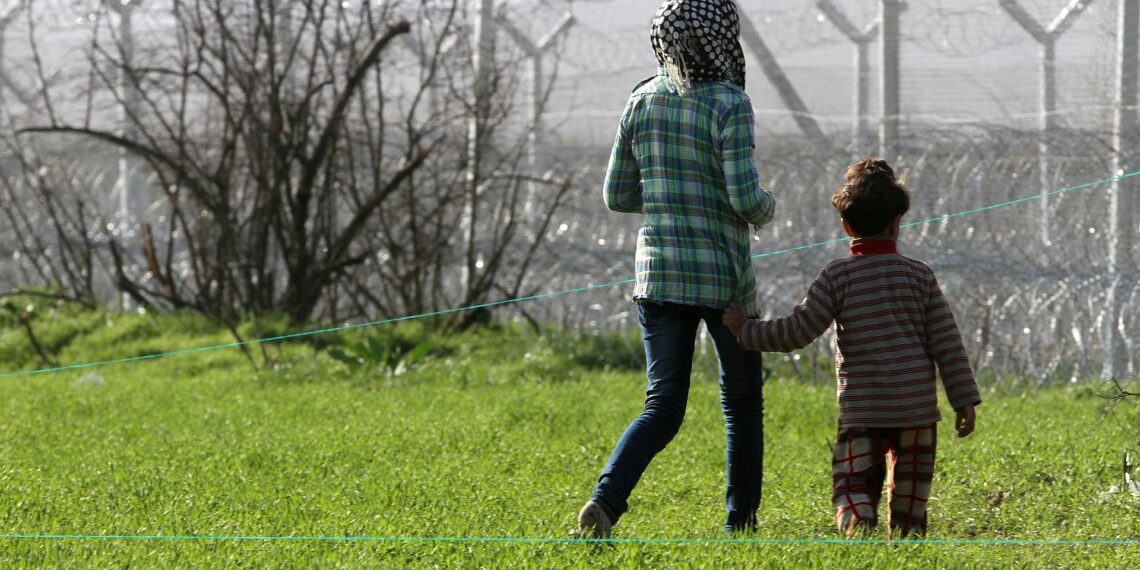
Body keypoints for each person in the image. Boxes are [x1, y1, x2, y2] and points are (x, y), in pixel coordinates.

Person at [576, 0, 776, 538]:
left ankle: (605, 502)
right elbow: (745, 197)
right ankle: (740, 525)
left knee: (662, 405)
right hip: (724, 280)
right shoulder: (731, 103)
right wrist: (767, 208)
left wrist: (669, 198)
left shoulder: (641, 99)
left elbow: (617, 195)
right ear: (721, 38)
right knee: (741, 402)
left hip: (658, 275)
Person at [722, 157, 981, 538]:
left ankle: (859, 530)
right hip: (916, 410)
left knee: (853, 486)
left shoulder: (837, 276)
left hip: (863, 409)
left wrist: (745, 330)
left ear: (846, 225)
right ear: (896, 223)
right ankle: (907, 545)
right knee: (911, 500)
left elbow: (797, 331)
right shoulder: (919, 275)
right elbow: (947, 342)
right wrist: (964, 399)